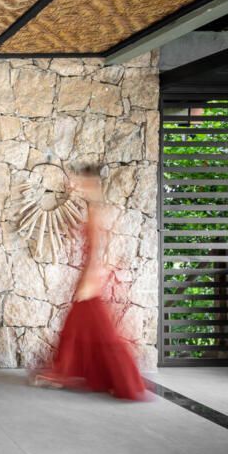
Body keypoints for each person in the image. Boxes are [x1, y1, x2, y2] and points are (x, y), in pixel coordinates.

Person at [33, 166, 147, 401]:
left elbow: (98, 252)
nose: (76, 185)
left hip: (91, 282)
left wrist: (89, 283)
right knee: (82, 331)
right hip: (90, 279)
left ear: (92, 183)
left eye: (81, 182)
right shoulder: (95, 208)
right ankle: (70, 374)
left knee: (94, 334)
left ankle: (119, 381)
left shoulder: (96, 211)